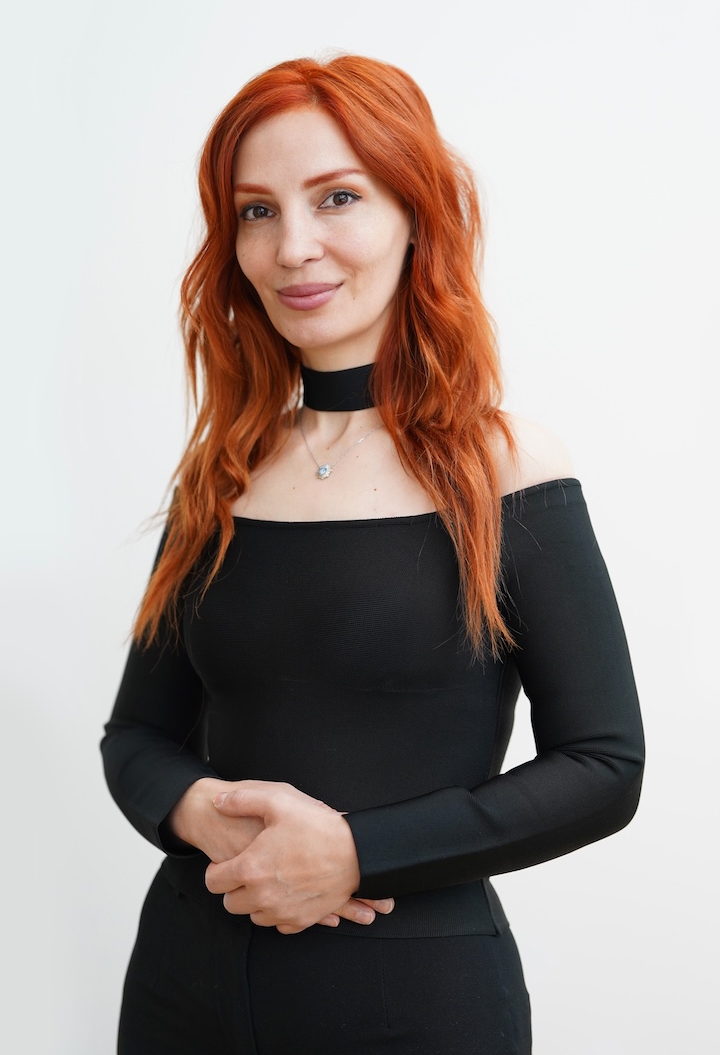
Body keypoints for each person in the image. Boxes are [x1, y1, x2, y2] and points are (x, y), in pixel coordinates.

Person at [102, 54, 644, 1055]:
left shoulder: (505, 468)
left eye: (337, 198)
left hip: (415, 1003)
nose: (293, 247)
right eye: (256, 211)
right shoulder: (222, 474)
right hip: (186, 988)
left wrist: (358, 852)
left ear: (416, 213)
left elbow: (604, 765)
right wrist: (194, 807)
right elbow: (136, 736)